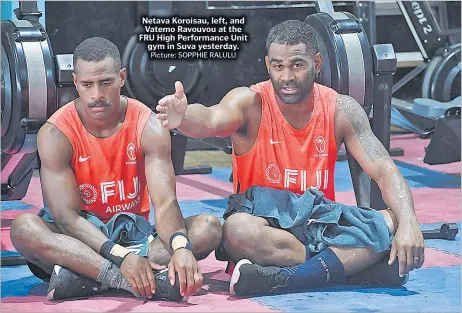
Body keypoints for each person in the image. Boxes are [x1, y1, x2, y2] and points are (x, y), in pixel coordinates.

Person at [155, 20, 425, 296]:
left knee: (392, 220)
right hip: (263, 229)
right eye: (278, 66)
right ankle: (350, 267)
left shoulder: (340, 109)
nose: (286, 77)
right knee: (236, 230)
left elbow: (384, 169)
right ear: (267, 64)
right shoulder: (250, 102)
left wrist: (410, 223)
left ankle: (285, 278)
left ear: (317, 62)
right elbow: (211, 119)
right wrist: (183, 118)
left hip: (320, 225)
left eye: (297, 65)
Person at [10, 37, 223, 302]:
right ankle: (127, 280)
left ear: (122, 77)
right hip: (81, 241)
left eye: (106, 83)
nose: (96, 94)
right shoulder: (55, 133)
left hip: (136, 239)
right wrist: (120, 261)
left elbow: (166, 203)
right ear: (75, 82)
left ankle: (84, 279)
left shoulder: (148, 126)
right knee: (24, 228)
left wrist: (180, 247)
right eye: (87, 85)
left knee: (209, 228)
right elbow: (67, 219)